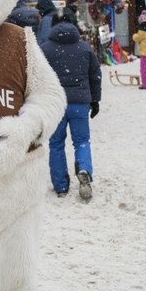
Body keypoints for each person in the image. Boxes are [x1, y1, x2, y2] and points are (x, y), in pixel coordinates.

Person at [40, 13, 102, 200]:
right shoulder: (84, 48)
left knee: (56, 144)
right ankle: (84, 169)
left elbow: (37, 78)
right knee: (82, 142)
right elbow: (95, 76)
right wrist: (95, 100)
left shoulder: (45, 49)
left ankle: (61, 187)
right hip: (80, 103)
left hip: (55, 104)